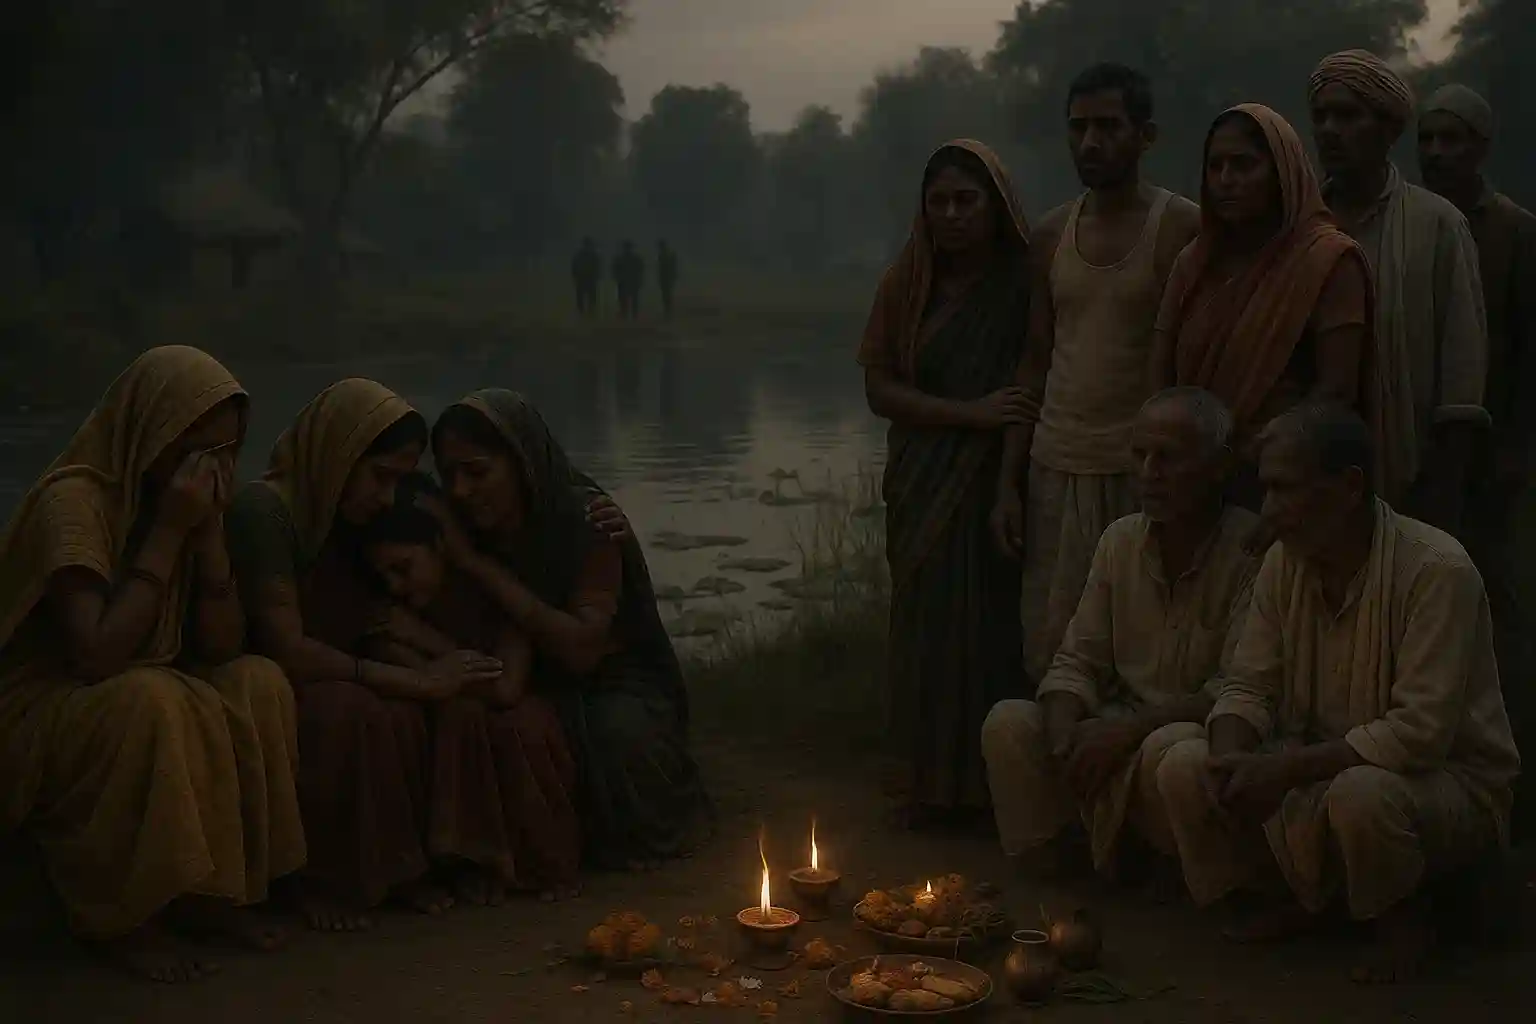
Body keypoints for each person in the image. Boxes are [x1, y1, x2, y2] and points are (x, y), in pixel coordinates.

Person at [1157, 402, 1520, 984]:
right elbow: (1248, 684)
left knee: (1363, 794)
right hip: (1319, 765)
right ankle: (1291, 898)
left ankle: (1403, 922)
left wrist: (1283, 771)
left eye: (1283, 491)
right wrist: (1231, 756)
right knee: (1184, 760)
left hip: (1443, 784)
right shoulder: (1286, 561)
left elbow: (1418, 736)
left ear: (1348, 487)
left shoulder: (1437, 569)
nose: (1267, 511)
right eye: (1265, 490)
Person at [0, 346, 305, 982]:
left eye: (227, 453)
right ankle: (123, 920)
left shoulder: (196, 504)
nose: (211, 470)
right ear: (151, 434)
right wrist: (169, 532)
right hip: (44, 705)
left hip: (136, 677)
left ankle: (216, 895)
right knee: (150, 700)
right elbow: (94, 656)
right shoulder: (77, 503)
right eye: (196, 451)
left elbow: (221, 648)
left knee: (259, 681)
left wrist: (210, 535)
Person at [429, 389, 712, 870]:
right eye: (450, 474)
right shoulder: (450, 520)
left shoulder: (585, 519)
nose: (460, 490)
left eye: (477, 472)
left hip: (608, 679)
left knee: (618, 734)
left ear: (521, 463)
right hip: (512, 672)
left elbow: (583, 650)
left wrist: (478, 568)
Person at [983, 388, 1259, 880]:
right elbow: (1077, 661)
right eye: (1140, 456)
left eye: (1168, 458)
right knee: (1010, 723)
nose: (1149, 473)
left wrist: (1131, 729)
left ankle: (1194, 879)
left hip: (1188, 731)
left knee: (1178, 752)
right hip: (1118, 722)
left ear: (1218, 467)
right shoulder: (1121, 539)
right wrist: (1066, 736)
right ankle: (1057, 875)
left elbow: (1238, 691)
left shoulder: (1254, 553)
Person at [226, 379, 468, 932]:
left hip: (329, 669)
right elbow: (286, 647)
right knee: (349, 711)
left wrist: (423, 672)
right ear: (340, 454)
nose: (387, 498)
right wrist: (416, 679)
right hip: (262, 677)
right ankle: (316, 880)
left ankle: (393, 870)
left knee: (398, 715)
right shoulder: (265, 511)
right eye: (380, 476)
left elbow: (365, 620)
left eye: (399, 482)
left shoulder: (341, 518)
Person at [993, 63, 1202, 684]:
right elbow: (1034, 359)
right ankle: (1048, 771)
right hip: (1055, 466)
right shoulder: (1051, 233)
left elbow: (1196, 365)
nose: (1090, 142)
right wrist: (1009, 481)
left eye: (1108, 126)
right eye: (1078, 128)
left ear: (1146, 135)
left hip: (1143, 471)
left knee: (1146, 643)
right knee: (1054, 643)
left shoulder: (1181, 227)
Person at [856, 139, 1032, 828]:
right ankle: (925, 786)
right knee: (926, 628)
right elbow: (878, 390)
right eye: (940, 202)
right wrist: (967, 415)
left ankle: (989, 790)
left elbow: (1025, 389)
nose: (953, 215)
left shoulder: (1023, 284)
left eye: (967, 200)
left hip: (994, 482)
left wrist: (1009, 484)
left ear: (996, 206)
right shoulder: (905, 283)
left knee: (990, 628)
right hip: (922, 480)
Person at [356, 473, 581, 901]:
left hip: (507, 705)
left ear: (441, 549)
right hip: (444, 711)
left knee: (515, 723)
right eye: (384, 576)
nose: (395, 587)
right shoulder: (389, 612)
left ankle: (527, 864)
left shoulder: (494, 589)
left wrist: (427, 643)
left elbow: (507, 687)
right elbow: (403, 665)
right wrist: (430, 670)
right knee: (457, 714)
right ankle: (460, 863)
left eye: (403, 568)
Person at [1152, 104, 1373, 509]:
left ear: (1281, 174)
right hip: (1190, 485)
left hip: (1283, 487)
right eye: (1215, 166)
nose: (1225, 180)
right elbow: (1162, 378)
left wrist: (1259, 455)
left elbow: (1336, 392)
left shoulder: (1328, 260)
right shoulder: (1194, 263)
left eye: (1243, 165)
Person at [1418, 83, 1536, 840]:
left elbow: (1527, 356)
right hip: (1423, 452)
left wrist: (1516, 452)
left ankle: (1507, 776)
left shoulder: (1516, 234)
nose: (1436, 153)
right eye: (1427, 139)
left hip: (1495, 461)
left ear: (1482, 148)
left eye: (1452, 139)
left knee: (1499, 608)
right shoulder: (1413, 226)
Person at [1306, 50, 1489, 531]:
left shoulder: (1439, 225)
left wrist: (1442, 495)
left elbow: (1462, 378)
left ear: (1388, 130)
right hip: (1309, 478)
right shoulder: (1299, 227)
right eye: (1320, 116)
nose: (1329, 129)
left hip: (1409, 477)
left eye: (1347, 115)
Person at [613, 241, 644, 319]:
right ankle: (631, 314)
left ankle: (628, 314)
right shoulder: (635, 258)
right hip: (629, 281)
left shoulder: (620, 258)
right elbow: (640, 269)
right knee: (629, 299)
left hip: (627, 281)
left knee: (626, 299)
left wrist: (617, 278)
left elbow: (615, 269)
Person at [572, 238, 601, 315]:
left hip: (583, 277)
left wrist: (575, 275)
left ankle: (583, 311)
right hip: (588, 277)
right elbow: (597, 266)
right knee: (590, 296)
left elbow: (574, 266)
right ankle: (589, 310)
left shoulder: (579, 254)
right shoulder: (593, 254)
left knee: (582, 296)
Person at [657, 239, 679, 318]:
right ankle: (668, 310)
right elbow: (674, 266)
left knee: (666, 294)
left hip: (666, 277)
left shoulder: (663, 255)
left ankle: (668, 310)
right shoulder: (670, 254)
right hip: (668, 277)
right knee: (667, 294)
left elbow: (661, 268)